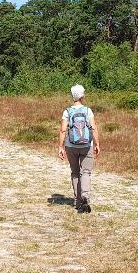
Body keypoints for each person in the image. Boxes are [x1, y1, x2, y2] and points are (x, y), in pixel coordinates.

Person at [58, 84, 101, 213]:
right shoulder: (88, 111)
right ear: (82, 96)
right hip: (87, 145)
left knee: (75, 172)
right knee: (86, 172)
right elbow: (93, 128)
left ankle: (77, 202)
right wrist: (97, 144)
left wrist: (61, 147)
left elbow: (63, 130)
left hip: (71, 146)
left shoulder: (67, 112)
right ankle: (85, 197)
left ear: (73, 96)